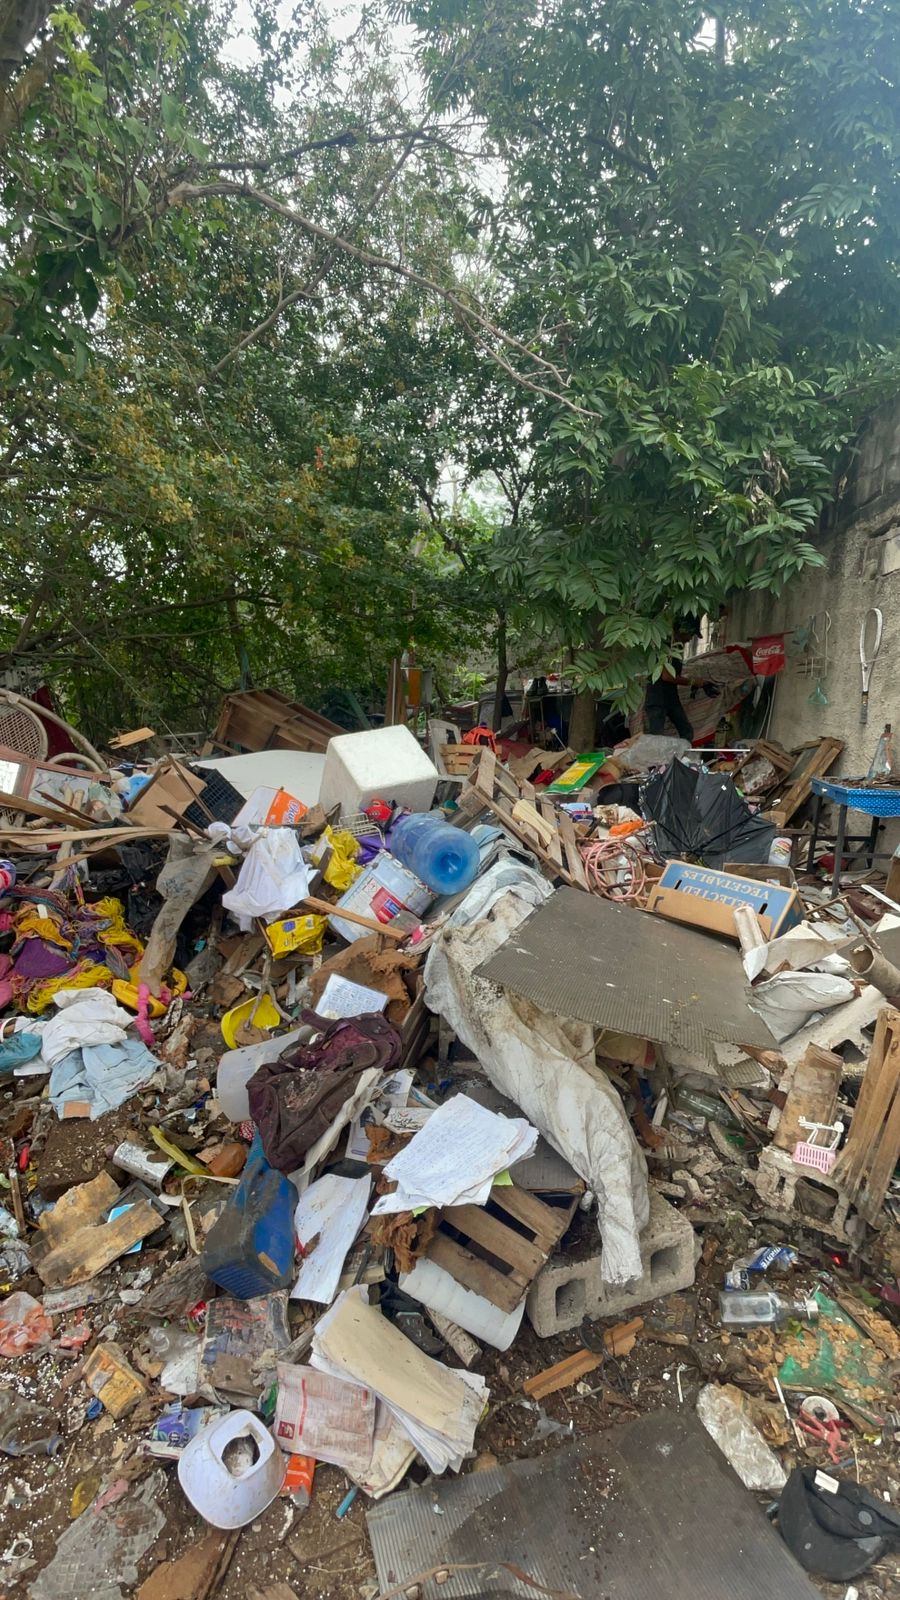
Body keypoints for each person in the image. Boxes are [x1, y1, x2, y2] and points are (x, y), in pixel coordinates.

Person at [643, 627, 697, 740]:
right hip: (657, 699)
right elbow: (667, 676)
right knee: (656, 737)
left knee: (686, 731)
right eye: (690, 634)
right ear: (681, 631)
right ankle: (656, 757)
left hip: (671, 698)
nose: (690, 639)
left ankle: (684, 756)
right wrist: (691, 681)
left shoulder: (677, 649)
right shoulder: (665, 648)